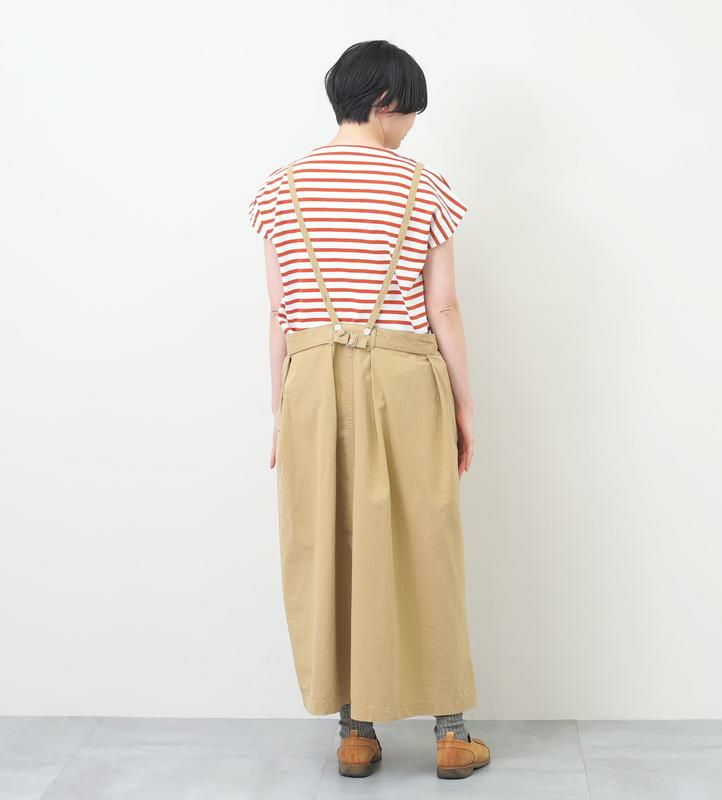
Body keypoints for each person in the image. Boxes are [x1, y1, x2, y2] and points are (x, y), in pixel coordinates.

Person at [248, 39, 490, 780]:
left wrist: (280, 411)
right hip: (405, 375)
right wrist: (466, 407)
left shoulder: (280, 189)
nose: (412, 124)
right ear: (385, 103)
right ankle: (451, 735)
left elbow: (280, 314)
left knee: (331, 541)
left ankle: (355, 732)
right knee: (427, 540)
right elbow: (443, 307)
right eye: (409, 109)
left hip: (313, 380)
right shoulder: (425, 186)